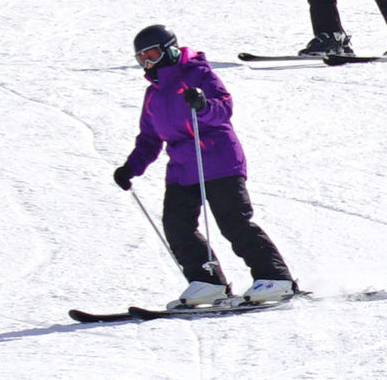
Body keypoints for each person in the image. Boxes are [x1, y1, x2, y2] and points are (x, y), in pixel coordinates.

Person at [116, 24, 297, 307]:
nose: (147, 63)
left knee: (233, 222)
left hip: (218, 159)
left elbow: (223, 108)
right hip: (181, 168)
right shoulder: (152, 94)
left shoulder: (199, 74)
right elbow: (149, 139)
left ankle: (275, 277)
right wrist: (130, 168)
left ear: (169, 49)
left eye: (151, 54)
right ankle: (207, 282)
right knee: (177, 226)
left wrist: (202, 105)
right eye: (142, 59)